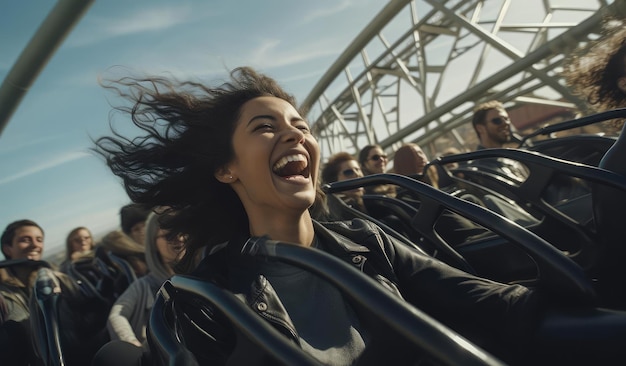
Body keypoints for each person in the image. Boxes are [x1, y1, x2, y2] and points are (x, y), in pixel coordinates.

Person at [91, 66, 590, 365]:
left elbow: (486, 301)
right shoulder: (205, 297)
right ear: (226, 168)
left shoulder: (366, 240)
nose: (294, 135)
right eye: (266, 128)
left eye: (300, 125)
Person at [0, 219, 109, 365]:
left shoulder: (57, 278)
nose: (35, 245)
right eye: (25, 240)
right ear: (7, 248)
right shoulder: (3, 295)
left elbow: (86, 312)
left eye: (39, 239)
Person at [107, 211, 185, 349]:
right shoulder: (144, 284)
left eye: (182, 231)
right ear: (153, 243)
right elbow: (117, 316)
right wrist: (133, 345)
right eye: (169, 235)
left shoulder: (205, 272)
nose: (179, 238)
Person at [468, 100, 529, 182]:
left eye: (506, 119)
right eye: (497, 121)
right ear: (480, 128)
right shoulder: (480, 169)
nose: (505, 123)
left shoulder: (511, 157)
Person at [99, 203, 151, 277]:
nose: (143, 231)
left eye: (145, 225)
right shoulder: (135, 264)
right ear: (129, 236)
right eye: (136, 229)